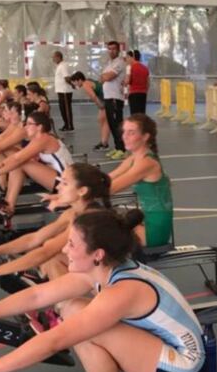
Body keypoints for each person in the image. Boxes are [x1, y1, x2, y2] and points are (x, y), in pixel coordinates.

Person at [0, 210, 205, 372]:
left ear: (97, 254)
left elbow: (54, 341)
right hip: (165, 353)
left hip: (181, 370)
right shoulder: (104, 269)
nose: (63, 249)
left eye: (71, 244)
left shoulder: (122, 292)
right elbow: (37, 297)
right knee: (74, 309)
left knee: (78, 318)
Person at [0, 163, 112, 287]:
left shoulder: (88, 218)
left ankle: (67, 309)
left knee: (50, 256)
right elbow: (34, 238)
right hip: (96, 271)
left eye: (65, 183)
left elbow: (45, 252)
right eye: (60, 182)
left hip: (109, 281)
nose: (59, 188)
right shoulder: (72, 213)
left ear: (82, 191)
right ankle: (60, 307)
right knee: (53, 260)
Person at [0, 112, 73, 214]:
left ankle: (8, 206)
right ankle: (8, 204)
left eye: (29, 124)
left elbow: (18, 159)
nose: (25, 127)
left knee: (21, 162)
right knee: (18, 161)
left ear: (39, 127)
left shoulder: (44, 139)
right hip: (57, 178)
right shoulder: (38, 138)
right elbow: (15, 157)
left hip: (66, 183)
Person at [109, 114, 174, 249]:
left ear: (145, 137)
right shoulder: (135, 158)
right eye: (124, 131)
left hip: (155, 228)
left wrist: (75, 192)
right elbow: (109, 178)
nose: (124, 136)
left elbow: (110, 188)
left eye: (131, 133)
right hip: (146, 220)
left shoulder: (146, 163)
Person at [70, 71, 110, 152]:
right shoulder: (88, 80)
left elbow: (93, 96)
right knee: (101, 120)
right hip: (105, 98)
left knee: (104, 121)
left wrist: (100, 105)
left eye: (74, 82)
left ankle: (104, 143)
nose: (74, 85)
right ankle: (103, 141)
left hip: (105, 100)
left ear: (78, 80)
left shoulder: (85, 84)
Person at [100, 41, 127, 160]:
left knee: (117, 125)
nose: (111, 51)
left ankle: (122, 149)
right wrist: (104, 76)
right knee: (111, 124)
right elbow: (102, 77)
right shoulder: (109, 63)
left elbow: (107, 77)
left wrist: (105, 76)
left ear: (118, 50)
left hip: (116, 98)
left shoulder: (120, 62)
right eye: (109, 49)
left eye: (113, 49)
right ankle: (117, 147)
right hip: (108, 97)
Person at [53, 51, 74, 131]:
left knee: (66, 109)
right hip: (61, 91)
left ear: (58, 57)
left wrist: (72, 85)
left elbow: (67, 78)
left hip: (65, 91)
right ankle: (66, 124)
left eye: (54, 57)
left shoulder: (63, 66)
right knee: (62, 109)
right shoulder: (60, 66)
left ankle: (69, 125)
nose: (53, 59)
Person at [125, 50, 149, 115]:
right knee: (141, 114)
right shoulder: (145, 68)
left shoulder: (130, 68)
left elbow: (127, 81)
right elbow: (148, 83)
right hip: (143, 94)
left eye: (127, 57)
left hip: (134, 94)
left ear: (132, 57)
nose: (127, 60)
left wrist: (123, 82)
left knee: (134, 115)